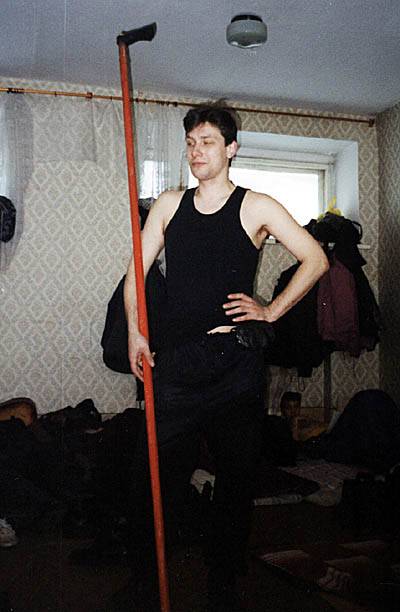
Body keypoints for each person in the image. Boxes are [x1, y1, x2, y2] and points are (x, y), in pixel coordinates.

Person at [121, 103, 329, 612]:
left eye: (208, 141)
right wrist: (134, 333)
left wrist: (270, 311)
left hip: (234, 366)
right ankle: (148, 581)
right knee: (157, 480)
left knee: (235, 481)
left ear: (231, 148)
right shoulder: (169, 204)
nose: (197, 151)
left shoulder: (256, 206)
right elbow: (134, 273)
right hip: (177, 365)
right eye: (191, 143)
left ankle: (223, 584)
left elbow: (316, 258)